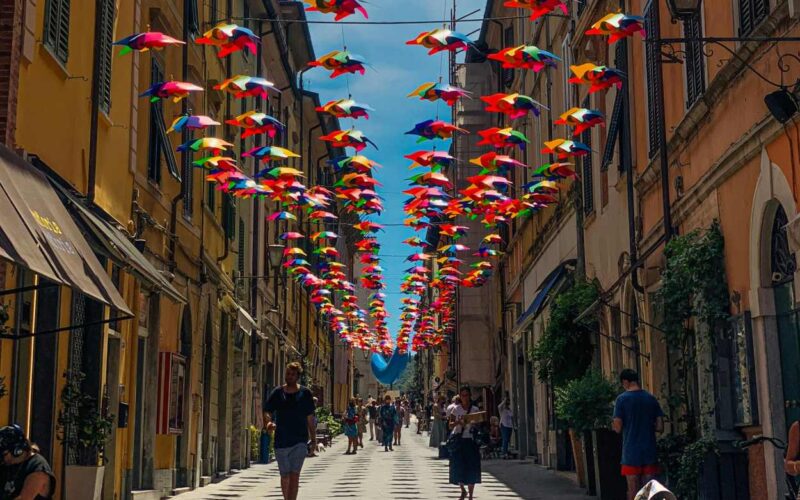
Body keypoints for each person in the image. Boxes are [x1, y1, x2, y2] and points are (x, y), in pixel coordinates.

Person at [263, 362, 317, 500]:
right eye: (288, 373)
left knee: (294, 475)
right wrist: (268, 422)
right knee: (285, 476)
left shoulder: (305, 394)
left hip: (300, 440)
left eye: (293, 374)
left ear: (298, 376)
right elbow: (267, 410)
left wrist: (314, 439)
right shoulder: (277, 393)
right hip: (281, 440)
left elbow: (310, 418)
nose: (289, 376)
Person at [612, 368, 664, 500]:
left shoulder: (621, 400)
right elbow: (660, 426)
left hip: (630, 452)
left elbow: (617, 428)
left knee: (633, 492)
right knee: (649, 493)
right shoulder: (651, 399)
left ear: (625, 382)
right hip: (649, 451)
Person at [0, 425, 55, 500]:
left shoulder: (37, 467)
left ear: (17, 451)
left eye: (4, 454)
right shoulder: (7, 466)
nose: (2, 458)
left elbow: (24, 498)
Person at [449, 386, 482, 500]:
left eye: (466, 395)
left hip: (471, 440)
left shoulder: (475, 409)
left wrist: (472, 423)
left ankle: (471, 495)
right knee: (458, 467)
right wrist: (459, 422)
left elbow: (479, 425)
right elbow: (450, 424)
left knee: (471, 467)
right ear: (460, 396)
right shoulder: (456, 409)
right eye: (462, 395)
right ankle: (463, 490)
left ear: (470, 396)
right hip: (459, 440)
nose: (465, 398)